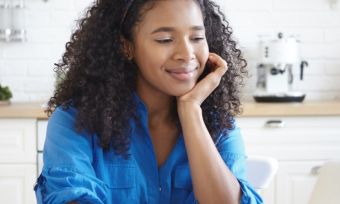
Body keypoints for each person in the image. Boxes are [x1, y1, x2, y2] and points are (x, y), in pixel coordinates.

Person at [34, 0, 263, 203]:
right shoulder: (74, 121)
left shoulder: (219, 126)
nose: (186, 53)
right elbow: (71, 196)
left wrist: (191, 110)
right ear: (127, 46)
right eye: (165, 39)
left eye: (197, 38)